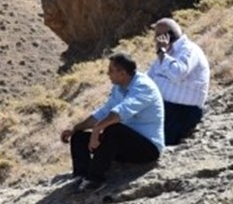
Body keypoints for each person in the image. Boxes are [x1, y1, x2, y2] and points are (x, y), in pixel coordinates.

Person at [60, 52, 164, 192]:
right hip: (124, 145)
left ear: (122, 73)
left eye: (111, 71)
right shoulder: (119, 87)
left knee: (114, 129)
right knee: (79, 136)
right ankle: (80, 176)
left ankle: (95, 180)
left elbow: (120, 113)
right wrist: (75, 129)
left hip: (147, 149)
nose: (108, 74)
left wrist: (97, 130)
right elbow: (103, 112)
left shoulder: (144, 87)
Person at [147, 17, 209, 145]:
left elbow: (177, 74)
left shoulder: (189, 50)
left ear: (167, 36)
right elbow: (150, 78)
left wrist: (161, 52)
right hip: (163, 106)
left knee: (156, 142)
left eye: (158, 36)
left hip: (182, 110)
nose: (156, 40)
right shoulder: (167, 53)